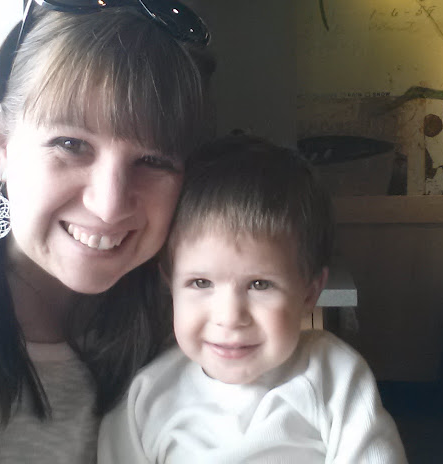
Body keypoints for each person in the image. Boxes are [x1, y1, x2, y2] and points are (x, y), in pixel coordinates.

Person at [0, 0, 214, 462]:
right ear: (1, 143)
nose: (109, 205)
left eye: (153, 160)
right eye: (71, 145)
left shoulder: (195, 328)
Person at [98, 135, 408, 463]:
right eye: (200, 282)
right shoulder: (146, 397)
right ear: (170, 285)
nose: (230, 317)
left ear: (309, 292)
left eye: (260, 285)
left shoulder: (334, 376)